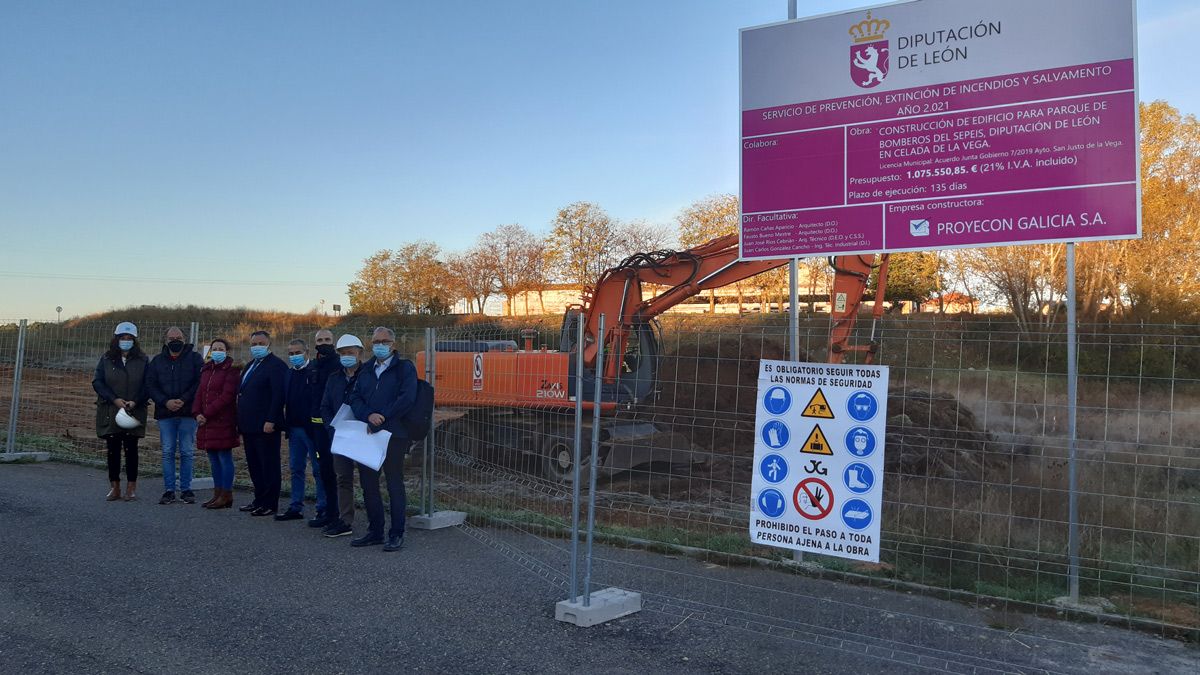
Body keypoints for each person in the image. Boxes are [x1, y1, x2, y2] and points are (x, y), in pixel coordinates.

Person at [349, 326, 416, 552]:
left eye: (384, 341)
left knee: (394, 483)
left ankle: (396, 533)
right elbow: (355, 397)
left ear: (393, 344)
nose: (380, 344)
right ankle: (375, 531)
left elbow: (407, 398)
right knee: (369, 485)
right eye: (376, 340)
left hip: (393, 434)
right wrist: (368, 414)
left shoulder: (404, 368)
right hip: (368, 433)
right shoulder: (366, 369)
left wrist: (384, 416)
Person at [92, 321, 149, 501]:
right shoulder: (107, 359)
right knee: (113, 449)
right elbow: (98, 382)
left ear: (134, 340)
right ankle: (114, 486)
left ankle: (131, 488)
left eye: (129, 338)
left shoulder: (143, 360)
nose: (126, 341)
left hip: (134, 411)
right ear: (116, 339)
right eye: (122, 338)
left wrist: (136, 401)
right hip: (111, 410)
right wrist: (114, 399)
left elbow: (148, 384)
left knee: (131, 449)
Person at [146, 326, 204, 505]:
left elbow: (199, 382)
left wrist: (183, 400)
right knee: (167, 452)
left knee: (187, 452)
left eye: (178, 337)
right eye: (171, 338)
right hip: (165, 413)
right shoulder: (157, 361)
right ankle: (169, 490)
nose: (175, 341)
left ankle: (186, 489)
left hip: (188, 412)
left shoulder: (195, 359)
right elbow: (150, 385)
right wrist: (165, 402)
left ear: (184, 339)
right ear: (166, 340)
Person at [318, 334, 364, 538]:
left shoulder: (368, 375)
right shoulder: (334, 377)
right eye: (343, 353)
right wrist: (331, 428)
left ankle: (375, 522)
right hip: (340, 435)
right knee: (343, 478)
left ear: (360, 353)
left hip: (364, 435)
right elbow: (325, 406)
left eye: (351, 353)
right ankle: (345, 520)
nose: (347, 356)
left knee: (368, 480)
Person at [236, 330, 286, 517]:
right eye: (254, 343)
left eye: (260, 343)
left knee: (269, 465)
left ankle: (270, 503)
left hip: (265, 425)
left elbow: (278, 395)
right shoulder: (251, 365)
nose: (256, 347)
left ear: (268, 344)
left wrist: (271, 419)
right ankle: (258, 499)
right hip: (248, 425)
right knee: (255, 465)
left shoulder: (276, 366)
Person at [276, 339, 327, 521]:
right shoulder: (289, 374)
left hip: (311, 430)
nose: (294, 356)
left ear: (307, 352)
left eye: (298, 352)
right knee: (296, 468)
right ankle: (295, 506)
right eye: (291, 353)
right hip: (294, 429)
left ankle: (323, 507)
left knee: (318, 469)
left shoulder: (314, 371)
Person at [195, 339, 240, 509]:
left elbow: (227, 396)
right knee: (213, 459)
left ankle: (226, 494)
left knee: (224, 457)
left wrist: (206, 413)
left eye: (221, 349)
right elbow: (200, 392)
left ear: (227, 351)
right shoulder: (206, 369)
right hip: (206, 422)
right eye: (214, 349)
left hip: (222, 420)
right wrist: (197, 413)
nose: (217, 351)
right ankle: (217, 493)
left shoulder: (232, 371)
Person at [305, 329, 341, 529]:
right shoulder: (313, 366)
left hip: (334, 428)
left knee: (338, 473)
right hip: (316, 429)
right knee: (324, 471)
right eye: (320, 340)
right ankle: (328, 511)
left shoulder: (338, 365)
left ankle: (338, 514)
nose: (324, 343)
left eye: (328, 339)